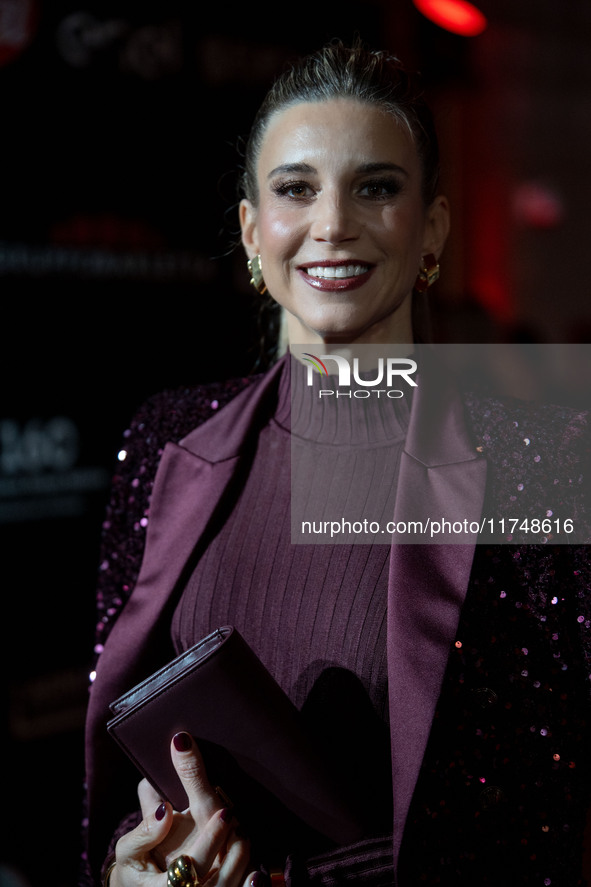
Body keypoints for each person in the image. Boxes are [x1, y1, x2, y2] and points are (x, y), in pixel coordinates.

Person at [82, 40, 591, 887]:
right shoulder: (168, 440)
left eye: (376, 188)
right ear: (252, 232)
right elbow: (116, 788)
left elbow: (543, 829)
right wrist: (125, 871)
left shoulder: (541, 460)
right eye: (295, 189)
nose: (332, 223)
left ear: (430, 228)